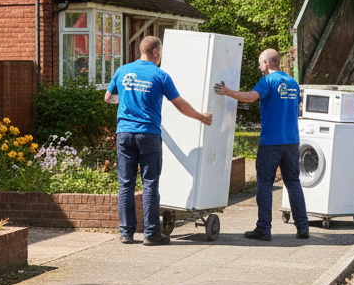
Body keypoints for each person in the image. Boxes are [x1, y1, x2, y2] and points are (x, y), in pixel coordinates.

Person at [105, 36, 212, 245]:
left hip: (124, 134)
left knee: (125, 184)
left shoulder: (122, 71)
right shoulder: (160, 75)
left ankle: (126, 233)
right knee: (150, 183)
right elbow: (180, 104)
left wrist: (128, 99)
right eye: (160, 53)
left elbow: (108, 98)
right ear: (155, 52)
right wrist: (202, 117)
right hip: (148, 134)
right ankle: (152, 234)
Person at [214, 49, 309, 241]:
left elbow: (250, 97)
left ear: (266, 63)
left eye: (260, 63)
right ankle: (303, 227)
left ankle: (263, 229)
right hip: (291, 141)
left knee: (265, 184)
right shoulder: (293, 82)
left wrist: (227, 92)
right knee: (293, 183)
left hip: (271, 142)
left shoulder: (267, 81)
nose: (259, 67)